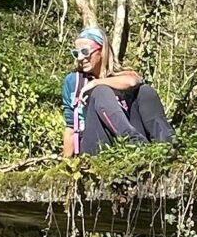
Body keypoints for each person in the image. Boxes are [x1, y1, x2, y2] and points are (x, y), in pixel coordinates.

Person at [62, 26, 175, 156]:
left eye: (85, 52)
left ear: (102, 51)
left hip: (124, 137)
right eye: (76, 53)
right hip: (95, 143)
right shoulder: (73, 81)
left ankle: (168, 143)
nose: (80, 58)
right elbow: (70, 127)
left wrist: (96, 82)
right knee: (100, 92)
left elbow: (133, 81)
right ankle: (133, 143)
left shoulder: (123, 75)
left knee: (145, 91)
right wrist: (66, 166)